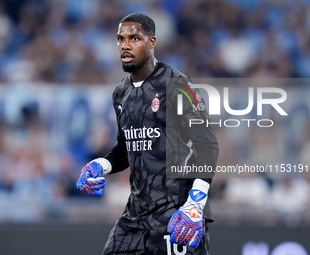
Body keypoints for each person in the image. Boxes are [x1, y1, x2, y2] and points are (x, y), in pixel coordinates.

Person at [77, 13, 219, 255]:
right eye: (120, 39)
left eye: (134, 38)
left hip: (178, 213)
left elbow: (207, 145)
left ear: (151, 42)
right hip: (135, 219)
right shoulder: (121, 93)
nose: (125, 45)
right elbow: (125, 149)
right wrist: (101, 164)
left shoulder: (179, 86)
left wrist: (195, 203)